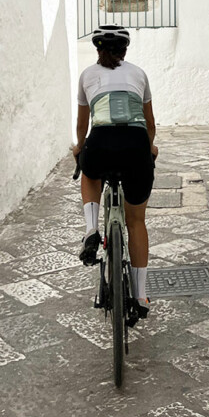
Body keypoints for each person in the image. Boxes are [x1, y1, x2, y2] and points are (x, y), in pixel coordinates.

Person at [72, 25, 157, 317]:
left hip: (101, 141)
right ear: (125, 50)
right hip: (135, 145)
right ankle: (142, 296)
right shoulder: (139, 74)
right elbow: (150, 125)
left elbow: (83, 127)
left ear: (98, 50)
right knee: (136, 222)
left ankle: (91, 229)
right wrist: (151, 148)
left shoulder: (87, 75)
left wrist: (79, 148)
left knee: (89, 171)